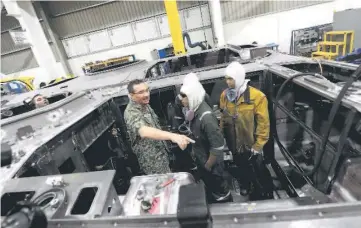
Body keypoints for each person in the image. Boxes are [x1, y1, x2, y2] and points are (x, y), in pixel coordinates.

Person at [179, 74, 231, 202]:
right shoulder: (195, 110)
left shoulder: (206, 118)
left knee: (219, 188)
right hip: (202, 159)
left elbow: (218, 145)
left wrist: (208, 165)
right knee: (211, 185)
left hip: (211, 165)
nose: (181, 100)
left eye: (184, 96)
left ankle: (224, 203)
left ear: (193, 96)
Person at [124, 79, 193, 175]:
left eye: (147, 90)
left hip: (161, 153)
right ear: (131, 95)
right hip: (152, 161)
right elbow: (144, 131)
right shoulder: (131, 112)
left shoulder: (145, 105)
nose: (146, 94)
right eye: (141, 92)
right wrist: (173, 136)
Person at [220, 61, 270, 193]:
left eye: (231, 79)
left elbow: (263, 123)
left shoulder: (257, 97)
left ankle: (263, 191)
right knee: (241, 167)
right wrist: (221, 138)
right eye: (226, 79)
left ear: (239, 78)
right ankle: (245, 185)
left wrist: (258, 145)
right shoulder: (225, 96)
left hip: (251, 145)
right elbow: (223, 117)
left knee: (258, 169)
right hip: (234, 144)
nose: (228, 82)